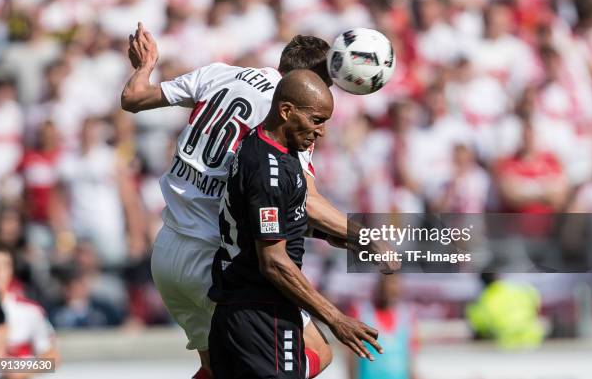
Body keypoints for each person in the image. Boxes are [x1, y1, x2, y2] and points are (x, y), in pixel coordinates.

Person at [121, 22, 372, 379]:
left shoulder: (220, 73)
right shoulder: (286, 113)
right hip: (214, 260)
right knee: (316, 351)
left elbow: (133, 99)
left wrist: (145, 66)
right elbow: (308, 201)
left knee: (217, 368)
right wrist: (366, 237)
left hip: (166, 253)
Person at [209, 69, 382, 379]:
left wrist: (319, 233)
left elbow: (261, 224)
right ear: (286, 111)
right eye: (316, 120)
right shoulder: (269, 170)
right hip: (265, 315)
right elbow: (273, 262)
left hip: (235, 310)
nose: (322, 131)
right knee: (322, 352)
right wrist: (335, 318)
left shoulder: (265, 147)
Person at [0, 244, 59, 376]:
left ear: (11, 271)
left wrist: (18, 369)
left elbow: (52, 360)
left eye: (2, 265)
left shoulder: (30, 311)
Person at [347, 275, 419, 379]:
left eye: (394, 284)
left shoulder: (406, 315)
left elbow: (410, 355)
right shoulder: (362, 313)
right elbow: (351, 355)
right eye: (387, 284)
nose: (390, 289)